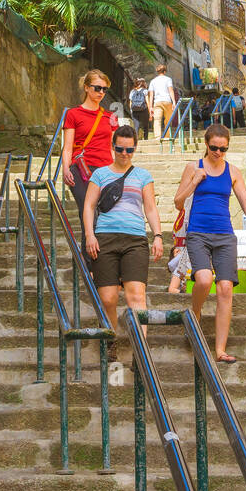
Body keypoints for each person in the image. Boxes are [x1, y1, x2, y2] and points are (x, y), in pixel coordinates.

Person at [174, 123, 246, 364]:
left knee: (226, 288)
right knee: (204, 279)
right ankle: (193, 315)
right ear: (206, 144)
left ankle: (220, 350)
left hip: (225, 236)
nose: (218, 153)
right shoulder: (193, 167)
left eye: (223, 149)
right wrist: (194, 181)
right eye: (214, 147)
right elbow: (178, 202)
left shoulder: (233, 171)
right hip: (198, 234)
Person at [84, 125, 163, 358]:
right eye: (120, 148)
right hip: (105, 238)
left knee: (135, 295)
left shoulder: (142, 176)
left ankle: (141, 349)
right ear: (112, 146)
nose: (124, 154)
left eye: (129, 150)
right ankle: (111, 339)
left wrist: (157, 235)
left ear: (135, 148)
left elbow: (150, 208)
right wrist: (90, 234)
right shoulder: (100, 174)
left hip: (135, 239)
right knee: (107, 297)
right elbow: (89, 206)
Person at [61, 70, 119, 252]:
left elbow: (114, 146)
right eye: (97, 88)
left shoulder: (110, 116)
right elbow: (68, 146)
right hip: (82, 169)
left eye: (105, 89)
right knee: (87, 211)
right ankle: (88, 264)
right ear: (86, 88)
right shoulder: (73, 114)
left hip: (105, 169)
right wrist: (65, 168)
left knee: (105, 214)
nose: (101, 92)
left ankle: (100, 260)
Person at [147, 63, 177, 142]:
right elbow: (171, 90)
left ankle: (157, 137)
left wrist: (150, 107)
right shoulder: (168, 79)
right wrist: (174, 102)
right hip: (167, 101)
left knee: (157, 120)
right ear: (165, 71)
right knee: (168, 120)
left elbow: (151, 95)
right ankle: (167, 137)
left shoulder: (153, 81)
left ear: (158, 71)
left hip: (157, 102)